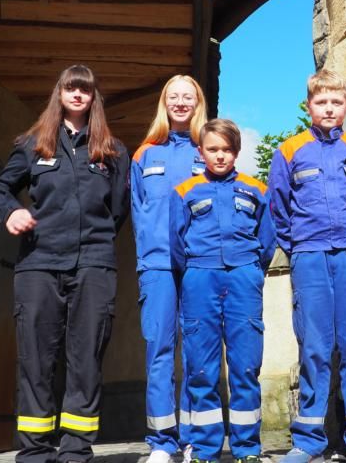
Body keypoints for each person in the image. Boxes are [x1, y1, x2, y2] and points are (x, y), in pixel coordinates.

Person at [0, 65, 129, 463]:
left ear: (94, 97)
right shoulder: (33, 144)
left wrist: (94, 239)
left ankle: (75, 451)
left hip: (94, 265)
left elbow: (118, 210)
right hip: (39, 264)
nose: (78, 95)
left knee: (86, 360)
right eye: (71, 88)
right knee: (36, 359)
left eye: (85, 89)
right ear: (60, 94)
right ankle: (35, 451)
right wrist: (11, 211)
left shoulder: (113, 151)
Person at [268, 69, 346, 463]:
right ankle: (308, 440)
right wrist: (300, 245)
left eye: (336, 102)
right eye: (321, 102)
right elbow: (278, 208)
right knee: (315, 348)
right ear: (309, 106)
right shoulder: (289, 151)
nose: (329, 108)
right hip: (310, 256)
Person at [170, 119, 276, 463]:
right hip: (200, 279)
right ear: (201, 152)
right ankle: (205, 450)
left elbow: (267, 241)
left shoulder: (256, 189)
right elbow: (176, 244)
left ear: (237, 151)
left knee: (245, 366)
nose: (220, 156)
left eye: (227, 150)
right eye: (213, 149)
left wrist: (251, 272)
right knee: (202, 369)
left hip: (244, 278)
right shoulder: (184, 192)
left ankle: (247, 449)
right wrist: (196, 272)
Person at [131, 75, 208, 462]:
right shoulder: (144, 154)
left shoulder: (208, 149)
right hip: (157, 265)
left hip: (198, 264)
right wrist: (145, 259)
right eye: (173, 96)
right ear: (164, 103)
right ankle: (162, 442)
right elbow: (136, 211)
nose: (180, 102)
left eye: (187, 97)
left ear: (198, 103)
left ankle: (194, 440)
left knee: (197, 352)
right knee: (159, 350)